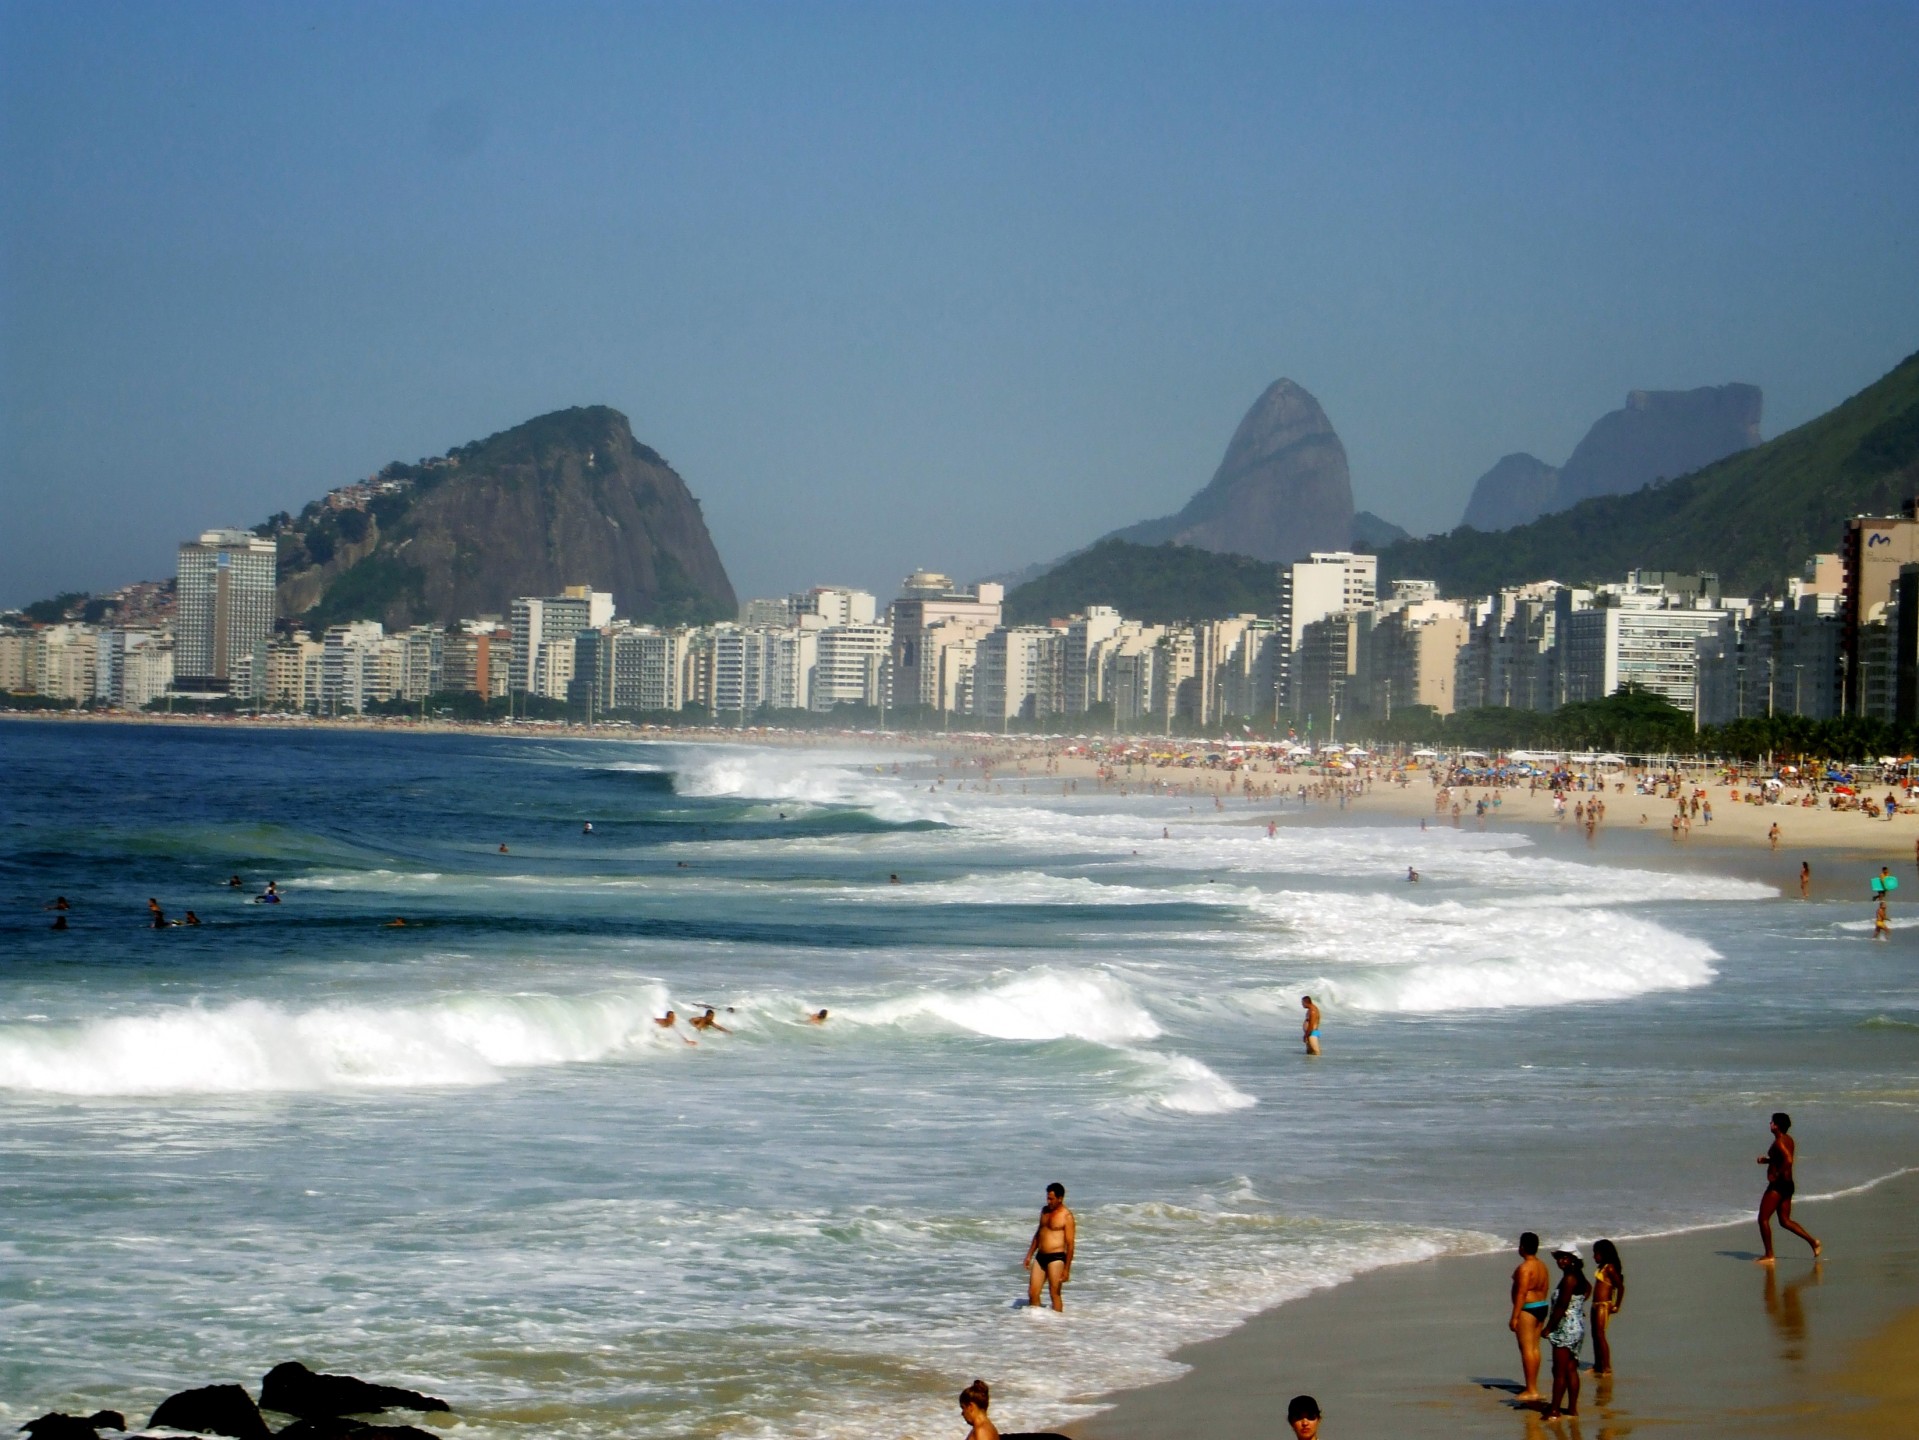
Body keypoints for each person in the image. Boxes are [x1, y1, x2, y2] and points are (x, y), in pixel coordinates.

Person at [1757, 1112, 1821, 1262]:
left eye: (1772, 1122)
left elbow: (1788, 1160)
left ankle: (1769, 1254)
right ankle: (1813, 1242)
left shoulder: (1779, 1142)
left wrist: (1777, 1174)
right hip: (1788, 1185)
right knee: (1785, 1221)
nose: (1770, 1124)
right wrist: (1766, 1161)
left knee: (1763, 1219)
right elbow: (1780, 1159)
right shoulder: (1788, 1139)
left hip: (1778, 1186)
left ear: (1777, 1126)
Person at [1543, 1243, 1591, 1420]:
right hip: (1577, 1326)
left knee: (1560, 1371)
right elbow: (1588, 1289)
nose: (1561, 1261)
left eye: (1565, 1258)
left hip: (1565, 1328)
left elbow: (1562, 1306)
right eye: (1559, 1258)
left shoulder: (1570, 1278)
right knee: (1571, 1369)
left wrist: (1548, 1328)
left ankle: (1554, 1410)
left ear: (1573, 1260)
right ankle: (1572, 1409)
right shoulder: (1577, 1276)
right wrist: (1578, 1306)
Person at [1508, 1231, 1551, 1404]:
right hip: (1541, 1305)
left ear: (1522, 1247)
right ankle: (1533, 1386)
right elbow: (1545, 1287)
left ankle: (1531, 1389)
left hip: (1528, 1308)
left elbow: (1521, 1292)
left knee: (1526, 1348)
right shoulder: (1542, 1266)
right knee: (1534, 1348)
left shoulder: (1525, 1268)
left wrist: (1514, 1316)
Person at [1022, 1182, 1075, 1312]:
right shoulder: (1044, 1211)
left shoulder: (1066, 1216)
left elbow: (1070, 1245)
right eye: (1047, 1198)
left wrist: (1067, 1269)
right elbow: (1039, 1233)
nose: (1048, 1201)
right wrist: (1029, 1255)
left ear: (1060, 1198)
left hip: (1056, 1258)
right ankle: (1036, 1322)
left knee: (1054, 1293)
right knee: (1032, 1292)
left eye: (1051, 1198)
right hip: (1040, 1256)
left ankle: (1058, 1325)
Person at [1590, 1238, 1624, 1376]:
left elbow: (1620, 1287)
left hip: (1604, 1305)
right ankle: (1598, 1364)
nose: (1594, 1256)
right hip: (1595, 1304)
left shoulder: (1609, 1268)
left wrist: (1616, 1305)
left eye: (1596, 1253)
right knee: (1594, 1335)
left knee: (1600, 1334)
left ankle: (1607, 1367)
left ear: (1603, 1253)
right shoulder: (1601, 1267)